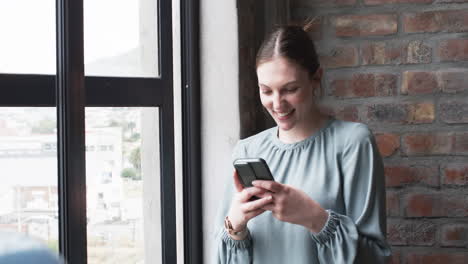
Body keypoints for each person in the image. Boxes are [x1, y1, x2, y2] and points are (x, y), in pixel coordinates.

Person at [212, 21, 392, 264]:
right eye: (266, 91)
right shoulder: (247, 150)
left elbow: (375, 258)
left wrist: (314, 218)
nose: (277, 104)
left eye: (290, 89)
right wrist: (235, 225)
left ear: (316, 79)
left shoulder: (353, 144)